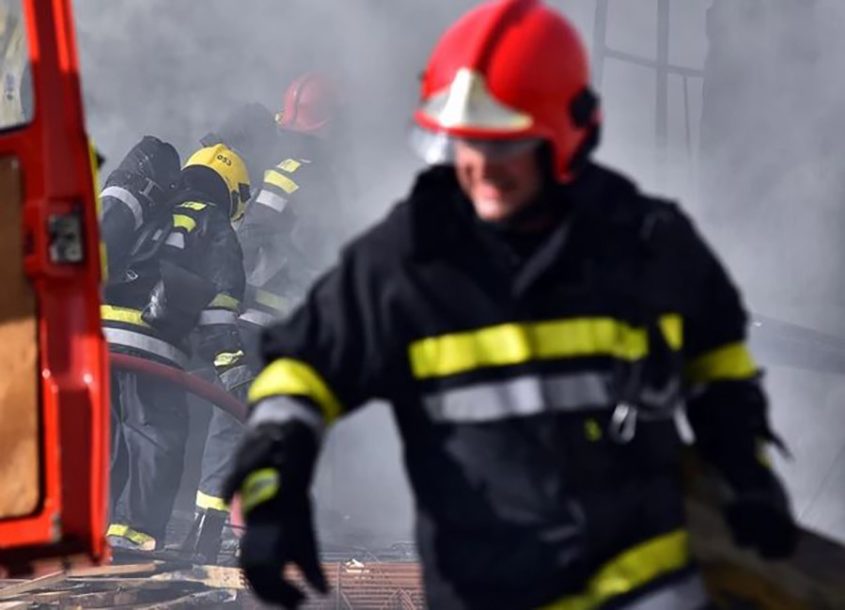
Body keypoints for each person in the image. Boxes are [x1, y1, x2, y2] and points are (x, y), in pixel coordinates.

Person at [224, 1, 798, 606]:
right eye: (467, 148)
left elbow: (721, 373)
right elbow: (302, 370)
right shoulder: (407, 256)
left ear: (569, 135)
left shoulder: (648, 245)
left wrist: (747, 476)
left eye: (509, 148)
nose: (484, 172)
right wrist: (272, 487)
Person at [185, 73, 344, 563]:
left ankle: (212, 534)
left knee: (232, 422)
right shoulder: (324, 182)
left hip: (261, 322)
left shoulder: (286, 172)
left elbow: (250, 234)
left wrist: (225, 285)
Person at [104, 141, 251, 552]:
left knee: (109, 441)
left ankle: (96, 535)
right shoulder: (211, 219)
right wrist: (232, 366)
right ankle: (133, 537)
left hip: (98, 342)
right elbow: (219, 303)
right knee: (157, 437)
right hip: (151, 346)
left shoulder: (153, 208)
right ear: (232, 193)